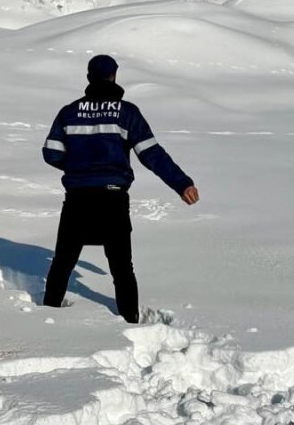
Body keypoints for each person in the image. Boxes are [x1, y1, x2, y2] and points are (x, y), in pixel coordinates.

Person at [41, 55, 199, 323]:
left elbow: (51, 152)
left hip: (77, 199)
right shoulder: (126, 113)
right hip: (113, 198)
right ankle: (129, 318)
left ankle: (47, 315)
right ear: (114, 76)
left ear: (89, 77)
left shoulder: (69, 112)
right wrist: (181, 183)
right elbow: (151, 154)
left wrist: (79, 168)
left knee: (63, 261)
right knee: (122, 266)